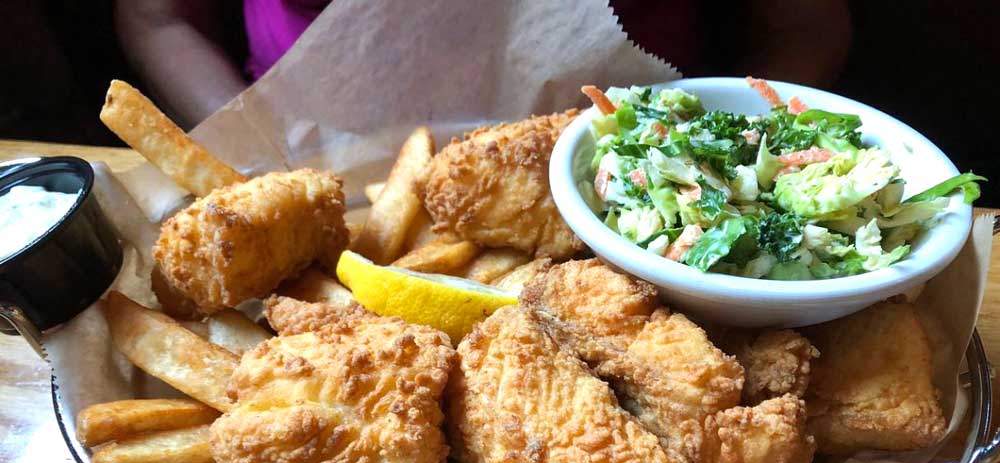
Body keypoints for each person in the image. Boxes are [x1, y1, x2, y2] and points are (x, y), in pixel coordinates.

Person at [116, 0, 850, 130]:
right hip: (303, 146)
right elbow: (158, 16)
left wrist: (713, 159)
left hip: (628, 177)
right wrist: (253, 158)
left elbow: (804, 27)